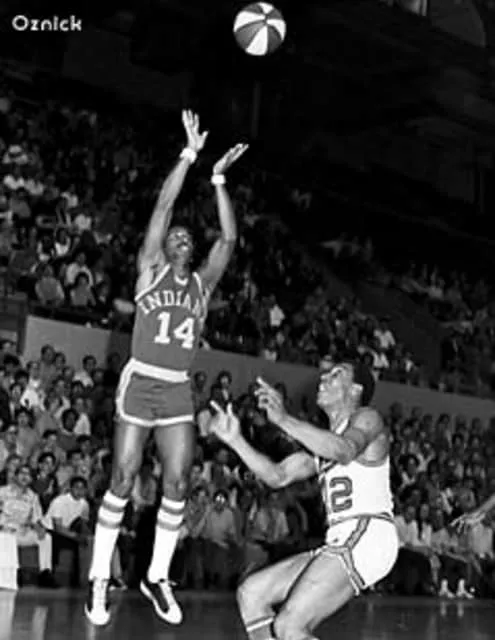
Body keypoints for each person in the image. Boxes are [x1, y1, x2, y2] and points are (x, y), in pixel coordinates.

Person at [85, 110, 248, 627]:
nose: (180, 239)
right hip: (140, 381)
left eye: (185, 238)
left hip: (177, 388)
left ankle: (156, 576)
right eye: (174, 236)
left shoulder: (202, 285)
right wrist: (189, 156)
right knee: (123, 477)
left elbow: (229, 240)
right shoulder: (149, 270)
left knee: (177, 483)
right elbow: (163, 204)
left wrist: (218, 180)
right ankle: (99, 577)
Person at [208, 362, 399, 640]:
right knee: (252, 593)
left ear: (355, 389)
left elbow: (345, 451)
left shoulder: (367, 418)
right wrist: (236, 440)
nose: (324, 377)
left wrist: (283, 419)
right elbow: (277, 476)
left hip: (368, 534)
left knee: (289, 626)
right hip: (342, 540)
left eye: (336, 374)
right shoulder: (322, 444)